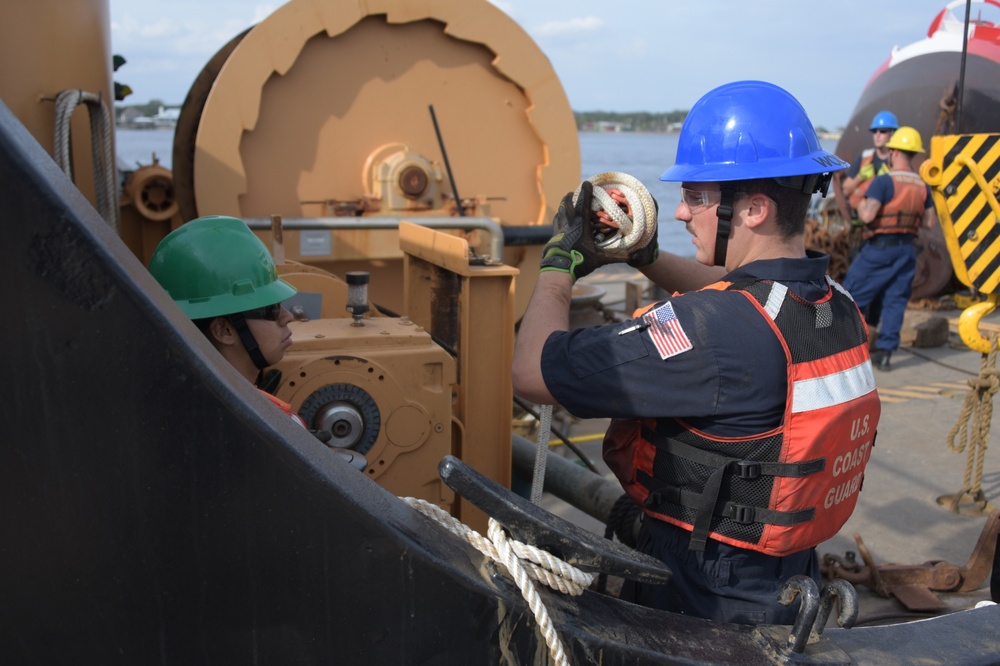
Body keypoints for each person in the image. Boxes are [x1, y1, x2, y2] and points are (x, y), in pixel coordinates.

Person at [512, 80, 881, 625]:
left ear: (752, 209)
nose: (681, 213)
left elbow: (532, 371)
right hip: (787, 575)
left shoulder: (710, 333)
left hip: (705, 592)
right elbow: (737, 290)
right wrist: (646, 255)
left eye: (696, 197)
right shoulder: (838, 305)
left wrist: (556, 268)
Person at [148, 215, 366, 468]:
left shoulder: (169, 404)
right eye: (271, 309)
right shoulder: (270, 422)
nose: (286, 317)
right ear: (224, 330)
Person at [841, 126, 938, 371]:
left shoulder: (884, 181)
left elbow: (867, 215)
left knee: (850, 297)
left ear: (893, 152)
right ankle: (885, 354)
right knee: (895, 300)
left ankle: (847, 350)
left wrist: (861, 203)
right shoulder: (922, 185)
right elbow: (929, 223)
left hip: (879, 248)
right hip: (907, 250)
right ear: (914, 154)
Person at [841, 110, 899, 215]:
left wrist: (888, 180)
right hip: (862, 218)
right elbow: (845, 190)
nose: (877, 135)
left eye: (882, 131)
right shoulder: (864, 157)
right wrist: (860, 177)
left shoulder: (898, 161)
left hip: (886, 217)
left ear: (893, 133)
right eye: (874, 131)